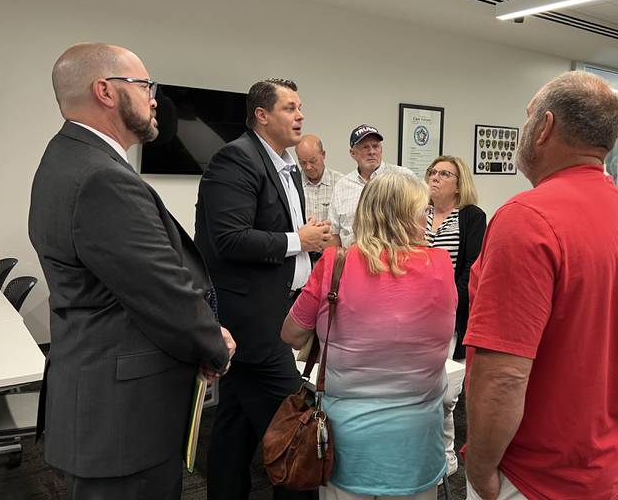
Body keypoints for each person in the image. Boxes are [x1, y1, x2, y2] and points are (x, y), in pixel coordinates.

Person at [28, 43, 235, 500]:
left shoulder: (65, 157)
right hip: (123, 420)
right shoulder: (101, 176)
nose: (154, 98)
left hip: (101, 400)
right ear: (105, 90)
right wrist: (213, 342)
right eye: (145, 86)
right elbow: (161, 290)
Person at [463, 71, 618, 500]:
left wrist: (478, 467)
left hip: (534, 475)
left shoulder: (526, 219)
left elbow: (505, 376)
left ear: (545, 127)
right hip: (602, 465)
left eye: (528, 116)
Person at [195, 78, 331, 500]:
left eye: (301, 106)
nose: (300, 115)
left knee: (234, 422)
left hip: (269, 310)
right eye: (290, 107)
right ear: (262, 115)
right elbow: (229, 239)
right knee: (292, 433)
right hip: (252, 323)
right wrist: (300, 241)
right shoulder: (236, 159)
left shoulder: (280, 163)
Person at [281, 171, 456, 500]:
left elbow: (291, 334)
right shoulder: (441, 266)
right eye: (422, 212)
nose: (426, 221)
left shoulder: (335, 264)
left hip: (347, 447)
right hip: (416, 446)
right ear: (406, 217)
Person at [424, 155, 485, 475]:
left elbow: (471, 269)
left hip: (452, 315)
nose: (435, 178)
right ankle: (425, 448)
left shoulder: (471, 217)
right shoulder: (419, 213)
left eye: (444, 174)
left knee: (446, 393)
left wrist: (448, 303)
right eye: (432, 172)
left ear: (459, 184)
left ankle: (446, 454)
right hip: (418, 315)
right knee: (422, 386)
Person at [327, 124, 414, 247]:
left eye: (375, 146)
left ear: (381, 149)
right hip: (353, 260)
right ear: (353, 153)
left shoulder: (404, 177)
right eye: (365, 147)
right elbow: (334, 233)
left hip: (394, 260)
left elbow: (419, 221)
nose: (372, 152)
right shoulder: (342, 186)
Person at [296, 134, 343, 223]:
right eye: (302, 163)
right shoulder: (292, 184)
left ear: (323, 154)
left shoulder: (340, 183)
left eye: (312, 161)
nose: (308, 167)